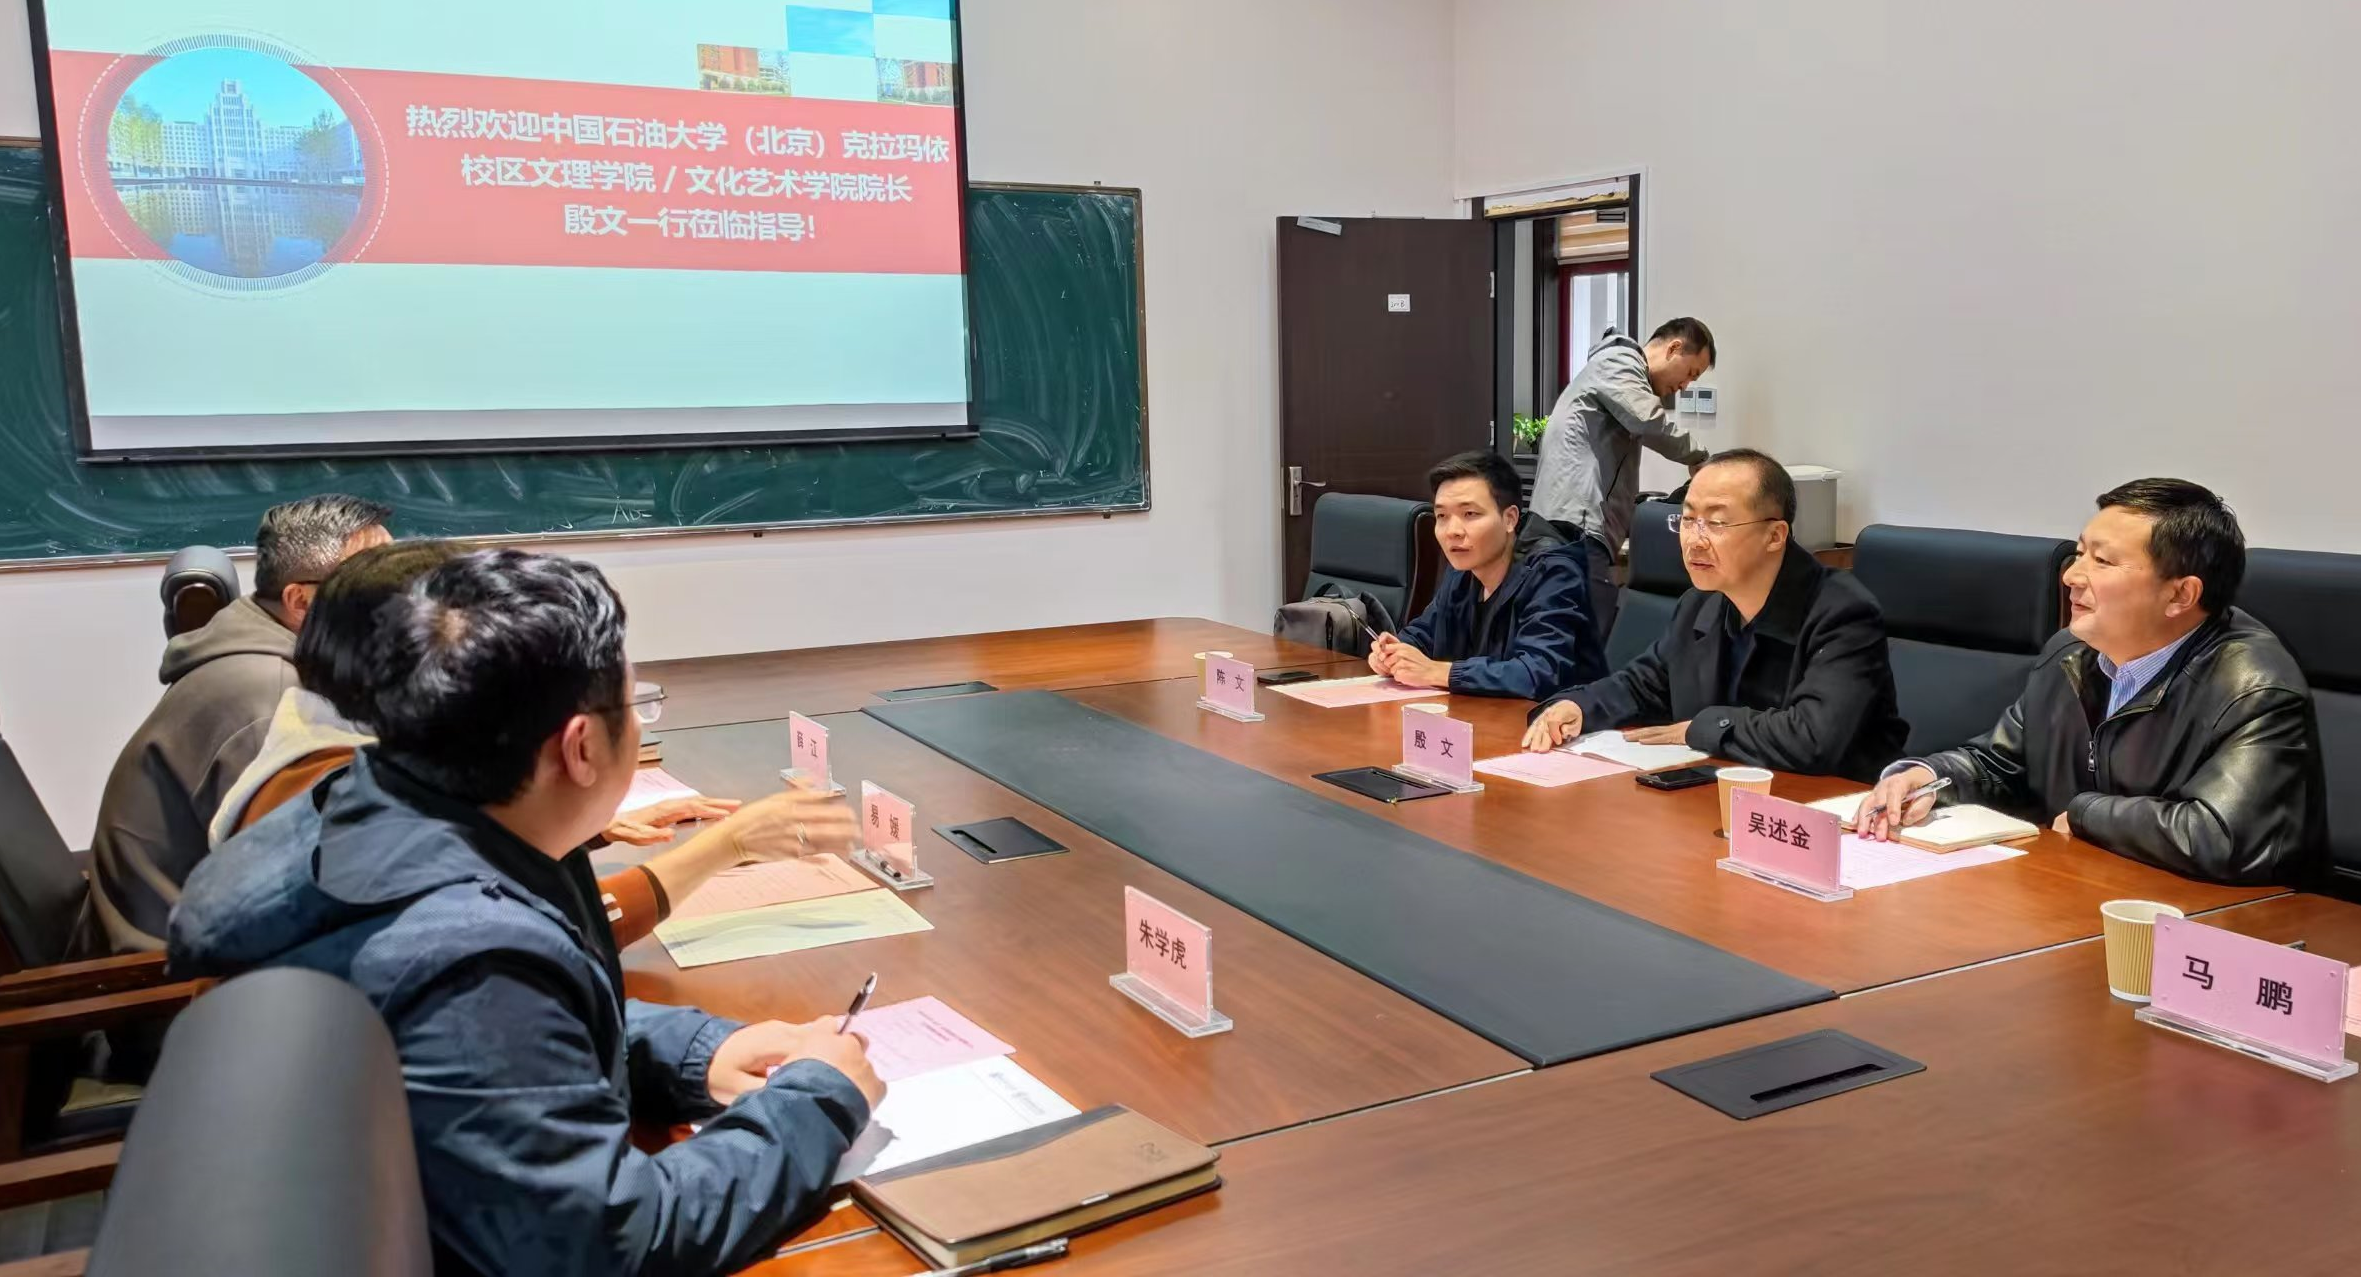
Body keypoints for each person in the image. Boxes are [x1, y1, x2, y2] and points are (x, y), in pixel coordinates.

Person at [171, 548, 883, 1277]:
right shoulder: (469, 961)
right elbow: (613, 1241)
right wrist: (818, 1100)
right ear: (581, 747)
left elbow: (506, 1050)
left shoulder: (375, 808)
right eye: (633, 705)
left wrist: (697, 1053)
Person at [208, 539, 855, 947]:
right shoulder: (338, 806)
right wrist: (726, 845)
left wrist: (585, 828)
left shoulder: (343, 754)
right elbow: (556, 939)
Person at [1857, 479, 2321, 887]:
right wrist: (1925, 777)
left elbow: (2221, 836)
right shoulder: (2071, 654)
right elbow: (2000, 763)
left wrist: (2085, 813)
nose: (2071, 576)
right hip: (2083, 889)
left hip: (2214, 925)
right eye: (2080, 554)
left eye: (2103, 561)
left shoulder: (2255, 687)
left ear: (2181, 594)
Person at [81, 494, 392, 954]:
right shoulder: (274, 700)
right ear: (300, 601)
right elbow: (324, 881)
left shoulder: (260, 650)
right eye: (377, 588)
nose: (404, 604)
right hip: (167, 971)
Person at [1521, 448, 1908, 780]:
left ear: (1775, 535)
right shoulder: (1700, 602)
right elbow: (1644, 684)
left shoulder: (1842, 612)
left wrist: (1701, 728)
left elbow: (1813, 738)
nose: (1694, 540)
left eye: (1717, 522)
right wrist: (1579, 706)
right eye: (1688, 519)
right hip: (1718, 794)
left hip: (1832, 811)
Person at [1529, 317, 1718, 635]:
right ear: (1674, 348)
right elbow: (1648, 421)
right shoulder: (1619, 361)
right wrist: (1700, 457)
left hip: (1577, 528)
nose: (1686, 386)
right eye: (1690, 373)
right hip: (1572, 528)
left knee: (1582, 633)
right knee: (1574, 637)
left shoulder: (1621, 373)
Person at [1369, 451, 1605, 699]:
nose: (1452, 531)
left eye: (1470, 514)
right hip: (1479, 714)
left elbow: (1539, 672)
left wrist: (1439, 672)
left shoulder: (1554, 572)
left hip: (1554, 718)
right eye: (1442, 516)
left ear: (1510, 519)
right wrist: (1394, 653)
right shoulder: (1462, 569)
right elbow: (1425, 633)